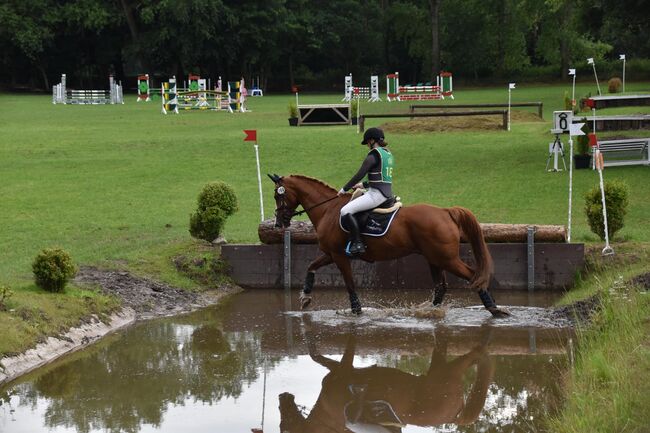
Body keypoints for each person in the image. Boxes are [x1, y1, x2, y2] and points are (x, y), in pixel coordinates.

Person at [338, 127, 394, 256]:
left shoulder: (374, 154)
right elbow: (382, 177)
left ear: (372, 140)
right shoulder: (387, 154)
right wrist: (362, 185)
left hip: (377, 194)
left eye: (368, 142)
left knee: (345, 211)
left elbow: (360, 173)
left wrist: (344, 189)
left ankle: (358, 243)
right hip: (384, 191)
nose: (367, 145)